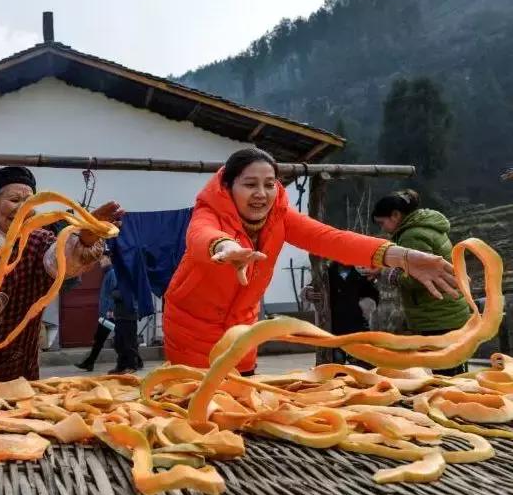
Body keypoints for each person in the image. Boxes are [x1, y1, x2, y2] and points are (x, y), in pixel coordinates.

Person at [163, 148, 461, 375]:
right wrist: (225, 247)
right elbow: (201, 236)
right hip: (192, 327)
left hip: (242, 327)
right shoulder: (208, 212)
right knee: (196, 412)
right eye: (250, 184)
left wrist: (400, 256)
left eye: (269, 184)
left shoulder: (280, 217)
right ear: (228, 186)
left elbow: (331, 239)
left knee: (240, 410)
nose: (261, 194)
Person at [0, 166, 124, 381]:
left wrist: (85, 238)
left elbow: (62, 262)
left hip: (14, 364)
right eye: (15, 200)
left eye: (29, 202)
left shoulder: (41, 241)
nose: (22, 209)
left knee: (11, 412)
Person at [371, 189, 471, 376]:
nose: (382, 228)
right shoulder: (424, 228)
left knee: (445, 372)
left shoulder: (412, 236)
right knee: (453, 366)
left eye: (382, 222)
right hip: (446, 309)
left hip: (436, 314)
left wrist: (389, 275)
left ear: (395, 215)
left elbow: (418, 278)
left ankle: (450, 403)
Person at [76, 253, 144, 374]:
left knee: (124, 340)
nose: (101, 262)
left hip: (115, 314)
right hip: (111, 313)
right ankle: (124, 364)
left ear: (110, 259)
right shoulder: (109, 273)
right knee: (117, 340)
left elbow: (118, 293)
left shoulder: (114, 274)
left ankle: (131, 364)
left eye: (103, 259)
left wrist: (111, 310)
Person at [304, 261, 380, 366]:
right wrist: (308, 293)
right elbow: (313, 287)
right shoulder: (327, 274)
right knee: (336, 360)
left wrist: (364, 307)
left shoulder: (360, 275)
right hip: (333, 327)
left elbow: (373, 294)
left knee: (361, 361)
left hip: (356, 325)